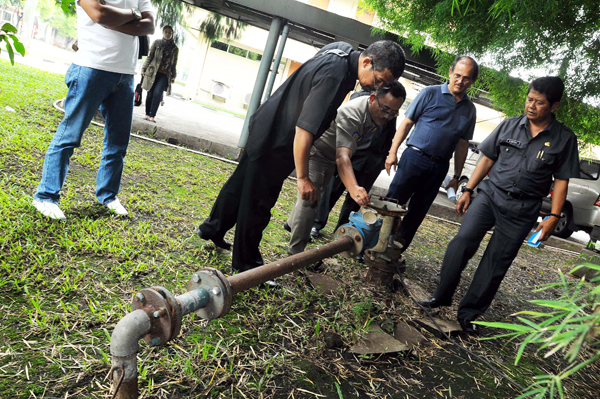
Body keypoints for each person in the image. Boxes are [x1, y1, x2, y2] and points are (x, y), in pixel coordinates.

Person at [195, 40, 406, 274]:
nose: (376, 89)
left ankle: (211, 228)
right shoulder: (334, 77)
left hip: (267, 125)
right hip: (276, 140)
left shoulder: (343, 53)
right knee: (259, 202)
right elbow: (304, 129)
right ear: (367, 62)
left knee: (239, 184)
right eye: (379, 81)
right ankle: (247, 265)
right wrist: (303, 177)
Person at [418, 76, 580, 334]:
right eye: (529, 99)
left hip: (523, 209)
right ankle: (441, 296)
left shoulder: (564, 139)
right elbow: (486, 159)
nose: (531, 106)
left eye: (539, 103)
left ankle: (470, 313)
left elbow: (561, 181)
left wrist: (553, 216)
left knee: (496, 263)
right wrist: (468, 189)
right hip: (490, 196)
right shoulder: (509, 126)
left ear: (554, 106)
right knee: (461, 243)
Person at [32, 0, 155, 220]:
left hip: (126, 74)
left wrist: (114, 19)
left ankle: (108, 196)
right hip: (91, 68)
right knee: (69, 135)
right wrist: (132, 16)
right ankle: (45, 196)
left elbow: (148, 26)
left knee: (118, 143)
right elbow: (99, 13)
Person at [286, 82, 406, 254]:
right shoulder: (352, 112)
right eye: (385, 110)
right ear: (372, 99)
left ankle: (291, 224)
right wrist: (354, 188)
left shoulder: (378, 113)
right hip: (317, 152)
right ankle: (295, 254)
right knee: (310, 200)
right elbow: (343, 157)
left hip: (330, 157)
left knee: (316, 196)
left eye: (393, 113)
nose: (388, 116)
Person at [384, 56, 478, 252]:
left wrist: (456, 176)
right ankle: (376, 243)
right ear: (450, 73)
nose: (460, 81)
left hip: (439, 167)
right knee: (392, 203)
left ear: (472, 81)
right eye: (458, 75)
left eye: (466, 78)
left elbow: (462, 144)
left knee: (417, 212)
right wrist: (392, 152)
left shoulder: (470, 109)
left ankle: (395, 252)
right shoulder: (429, 93)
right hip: (414, 158)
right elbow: (406, 123)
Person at [310, 89, 399, 238]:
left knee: (357, 200)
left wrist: (387, 154)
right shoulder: (361, 98)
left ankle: (343, 230)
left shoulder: (390, 108)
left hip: (372, 160)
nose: (387, 115)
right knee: (332, 190)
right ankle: (316, 223)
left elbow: (390, 133)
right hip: (352, 154)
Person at [142, 25, 179, 123]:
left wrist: (174, 75)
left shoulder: (175, 48)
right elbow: (150, 57)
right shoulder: (157, 43)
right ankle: (147, 114)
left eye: (169, 32)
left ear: (172, 34)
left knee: (157, 93)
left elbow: (174, 63)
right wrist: (144, 68)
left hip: (164, 75)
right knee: (150, 93)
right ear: (163, 32)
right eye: (166, 31)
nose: (167, 34)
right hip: (152, 72)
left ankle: (152, 116)